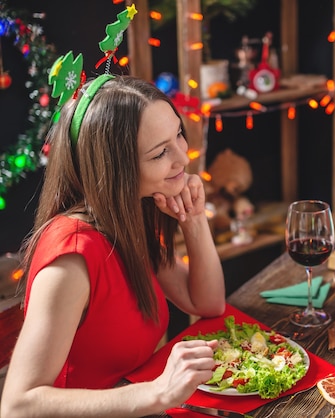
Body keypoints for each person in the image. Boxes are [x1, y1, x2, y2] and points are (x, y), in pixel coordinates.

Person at [1, 75, 226, 417]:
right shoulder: (72, 257)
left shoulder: (131, 215)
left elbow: (207, 303)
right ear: (117, 168)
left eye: (178, 134)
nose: (183, 156)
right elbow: (18, 406)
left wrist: (194, 221)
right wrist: (157, 393)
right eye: (160, 152)